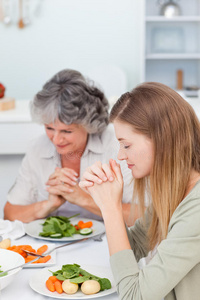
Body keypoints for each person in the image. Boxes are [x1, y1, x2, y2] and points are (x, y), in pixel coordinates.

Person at [79, 82, 200, 300]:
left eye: (126, 145)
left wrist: (110, 208)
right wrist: (106, 201)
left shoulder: (197, 207)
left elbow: (134, 296)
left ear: (162, 139)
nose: (120, 156)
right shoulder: (177, 189)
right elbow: (133, 247)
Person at [4, 69, 133, 223]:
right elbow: (10, 214)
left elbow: (144, 216)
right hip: (51, 246)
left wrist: (82, 198)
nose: (56, 140)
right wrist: (48, 205)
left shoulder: (116, 147)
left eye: (67, 131)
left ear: (88, 125)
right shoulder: (37, 149)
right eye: (50, 128)